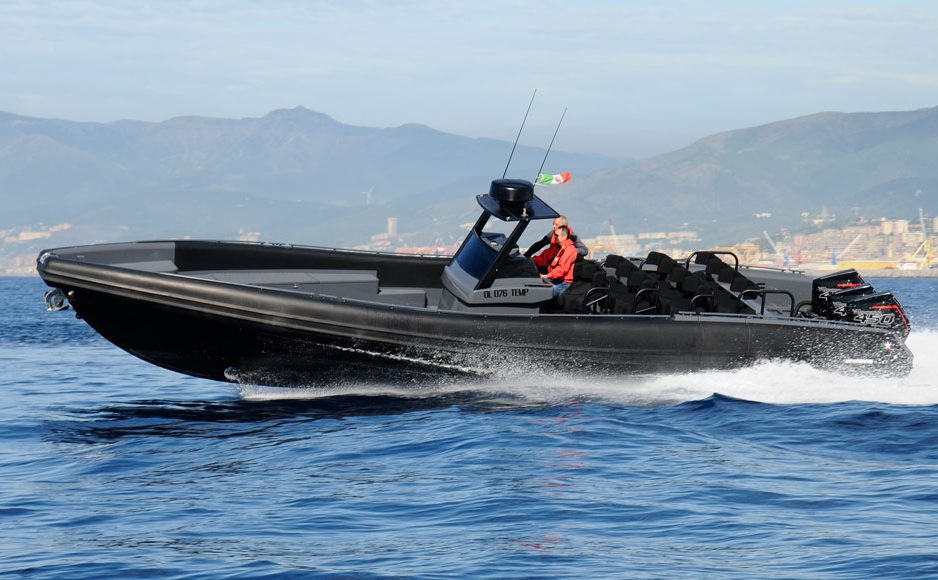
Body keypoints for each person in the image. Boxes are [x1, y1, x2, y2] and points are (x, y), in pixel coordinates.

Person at [524, 215, 588, 273]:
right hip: (547, 261)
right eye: (553, 224)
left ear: (563, 225)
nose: (554, 226)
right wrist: (526, 255)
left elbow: (584, 250)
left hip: (558, 265)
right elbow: (540, 244)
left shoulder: (572, 236)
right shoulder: (552, 233)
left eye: (556, 224)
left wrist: (568, 251)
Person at [540, 225, 577, 298]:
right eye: (554, 235)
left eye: (557, 235)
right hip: (556, 280)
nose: (555, 237)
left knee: (541, 295)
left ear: (564, 236)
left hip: (564, 283)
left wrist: (547, 276)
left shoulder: (569, 250)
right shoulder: (561, 248)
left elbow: (562, 270)